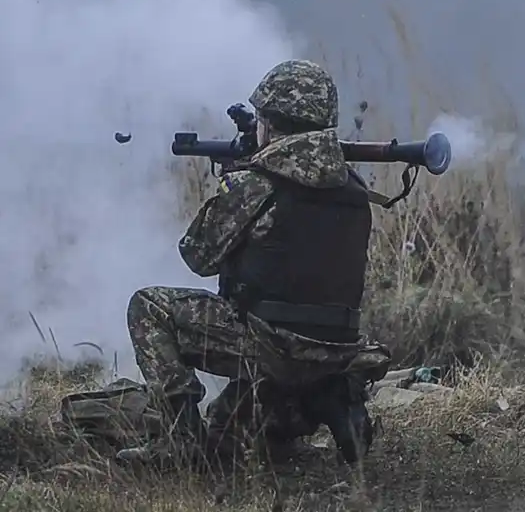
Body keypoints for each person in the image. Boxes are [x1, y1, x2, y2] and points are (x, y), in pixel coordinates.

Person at [116, 59, 391, 466]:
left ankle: (177, 444)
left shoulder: (258, 184)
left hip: (274, 346)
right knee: (227, 434)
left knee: (149, 306)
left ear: (270, 124)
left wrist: (229, 189)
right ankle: (329, 400)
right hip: (337, 349)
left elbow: (197, 256)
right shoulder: (352, 187)